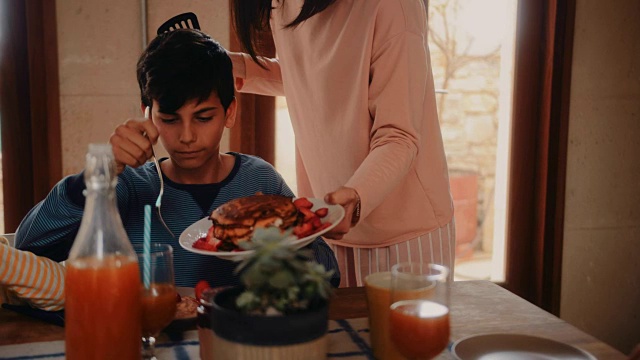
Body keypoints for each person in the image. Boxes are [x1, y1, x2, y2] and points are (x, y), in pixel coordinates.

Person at [15, 29, 340, 289]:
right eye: (170, 119)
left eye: (203, 117)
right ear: (148, 115)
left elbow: (328, 273)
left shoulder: (259, 181)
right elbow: (30, 244)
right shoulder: (128, 185)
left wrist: (286, 244)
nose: (186, 136)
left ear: (230, 112)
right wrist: (101, 171)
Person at [229, 0, 455, 286]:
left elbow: (398, 135)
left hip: (405, 236)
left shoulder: (393, 6)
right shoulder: (283, 4)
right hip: (329, 223)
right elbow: (311, 75)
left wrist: (357, 195)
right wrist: (234, 66)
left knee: (402, 333)